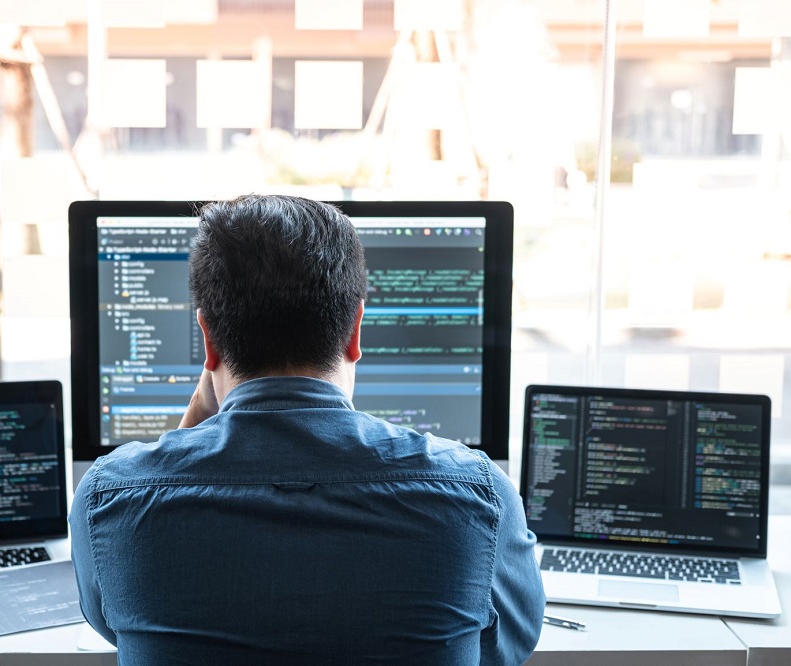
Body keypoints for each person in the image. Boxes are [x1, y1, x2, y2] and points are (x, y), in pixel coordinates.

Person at [70, 194, 545, 664]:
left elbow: (116, 620)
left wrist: (194, 418)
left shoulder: (110, 500)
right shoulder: (476, 495)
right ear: (356, 331)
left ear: (207, 339)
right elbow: (503, 648)